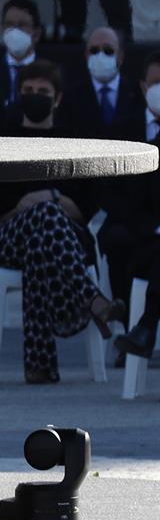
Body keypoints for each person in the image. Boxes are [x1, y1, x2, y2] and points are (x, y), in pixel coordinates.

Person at [0, 60, 125, 383]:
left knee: (43, 232)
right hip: (6, 239)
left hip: (60, 241)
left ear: (57, 99)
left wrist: (51, 198)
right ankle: (91, 299)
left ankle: (40, 365)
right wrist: (23, 207)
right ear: (18, 95)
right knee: (44, 218)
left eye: (42, 92)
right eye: (28, 91)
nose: (35, 97)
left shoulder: (72, 143)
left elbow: (86, 210)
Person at [99, 51, 160, 338]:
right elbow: (107, 188)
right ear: (144, 86)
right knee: (117, 240)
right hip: (131, 221)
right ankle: (128, 327)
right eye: (156, 81)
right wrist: (141, 222)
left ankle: (145, 329)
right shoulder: (123, 128)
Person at [59, 26, 138, 138]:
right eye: (94, 51)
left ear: (120, 57)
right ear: (86, 56)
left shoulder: (137, 95)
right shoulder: (70, 96)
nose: (100, 56)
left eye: (108, 51)